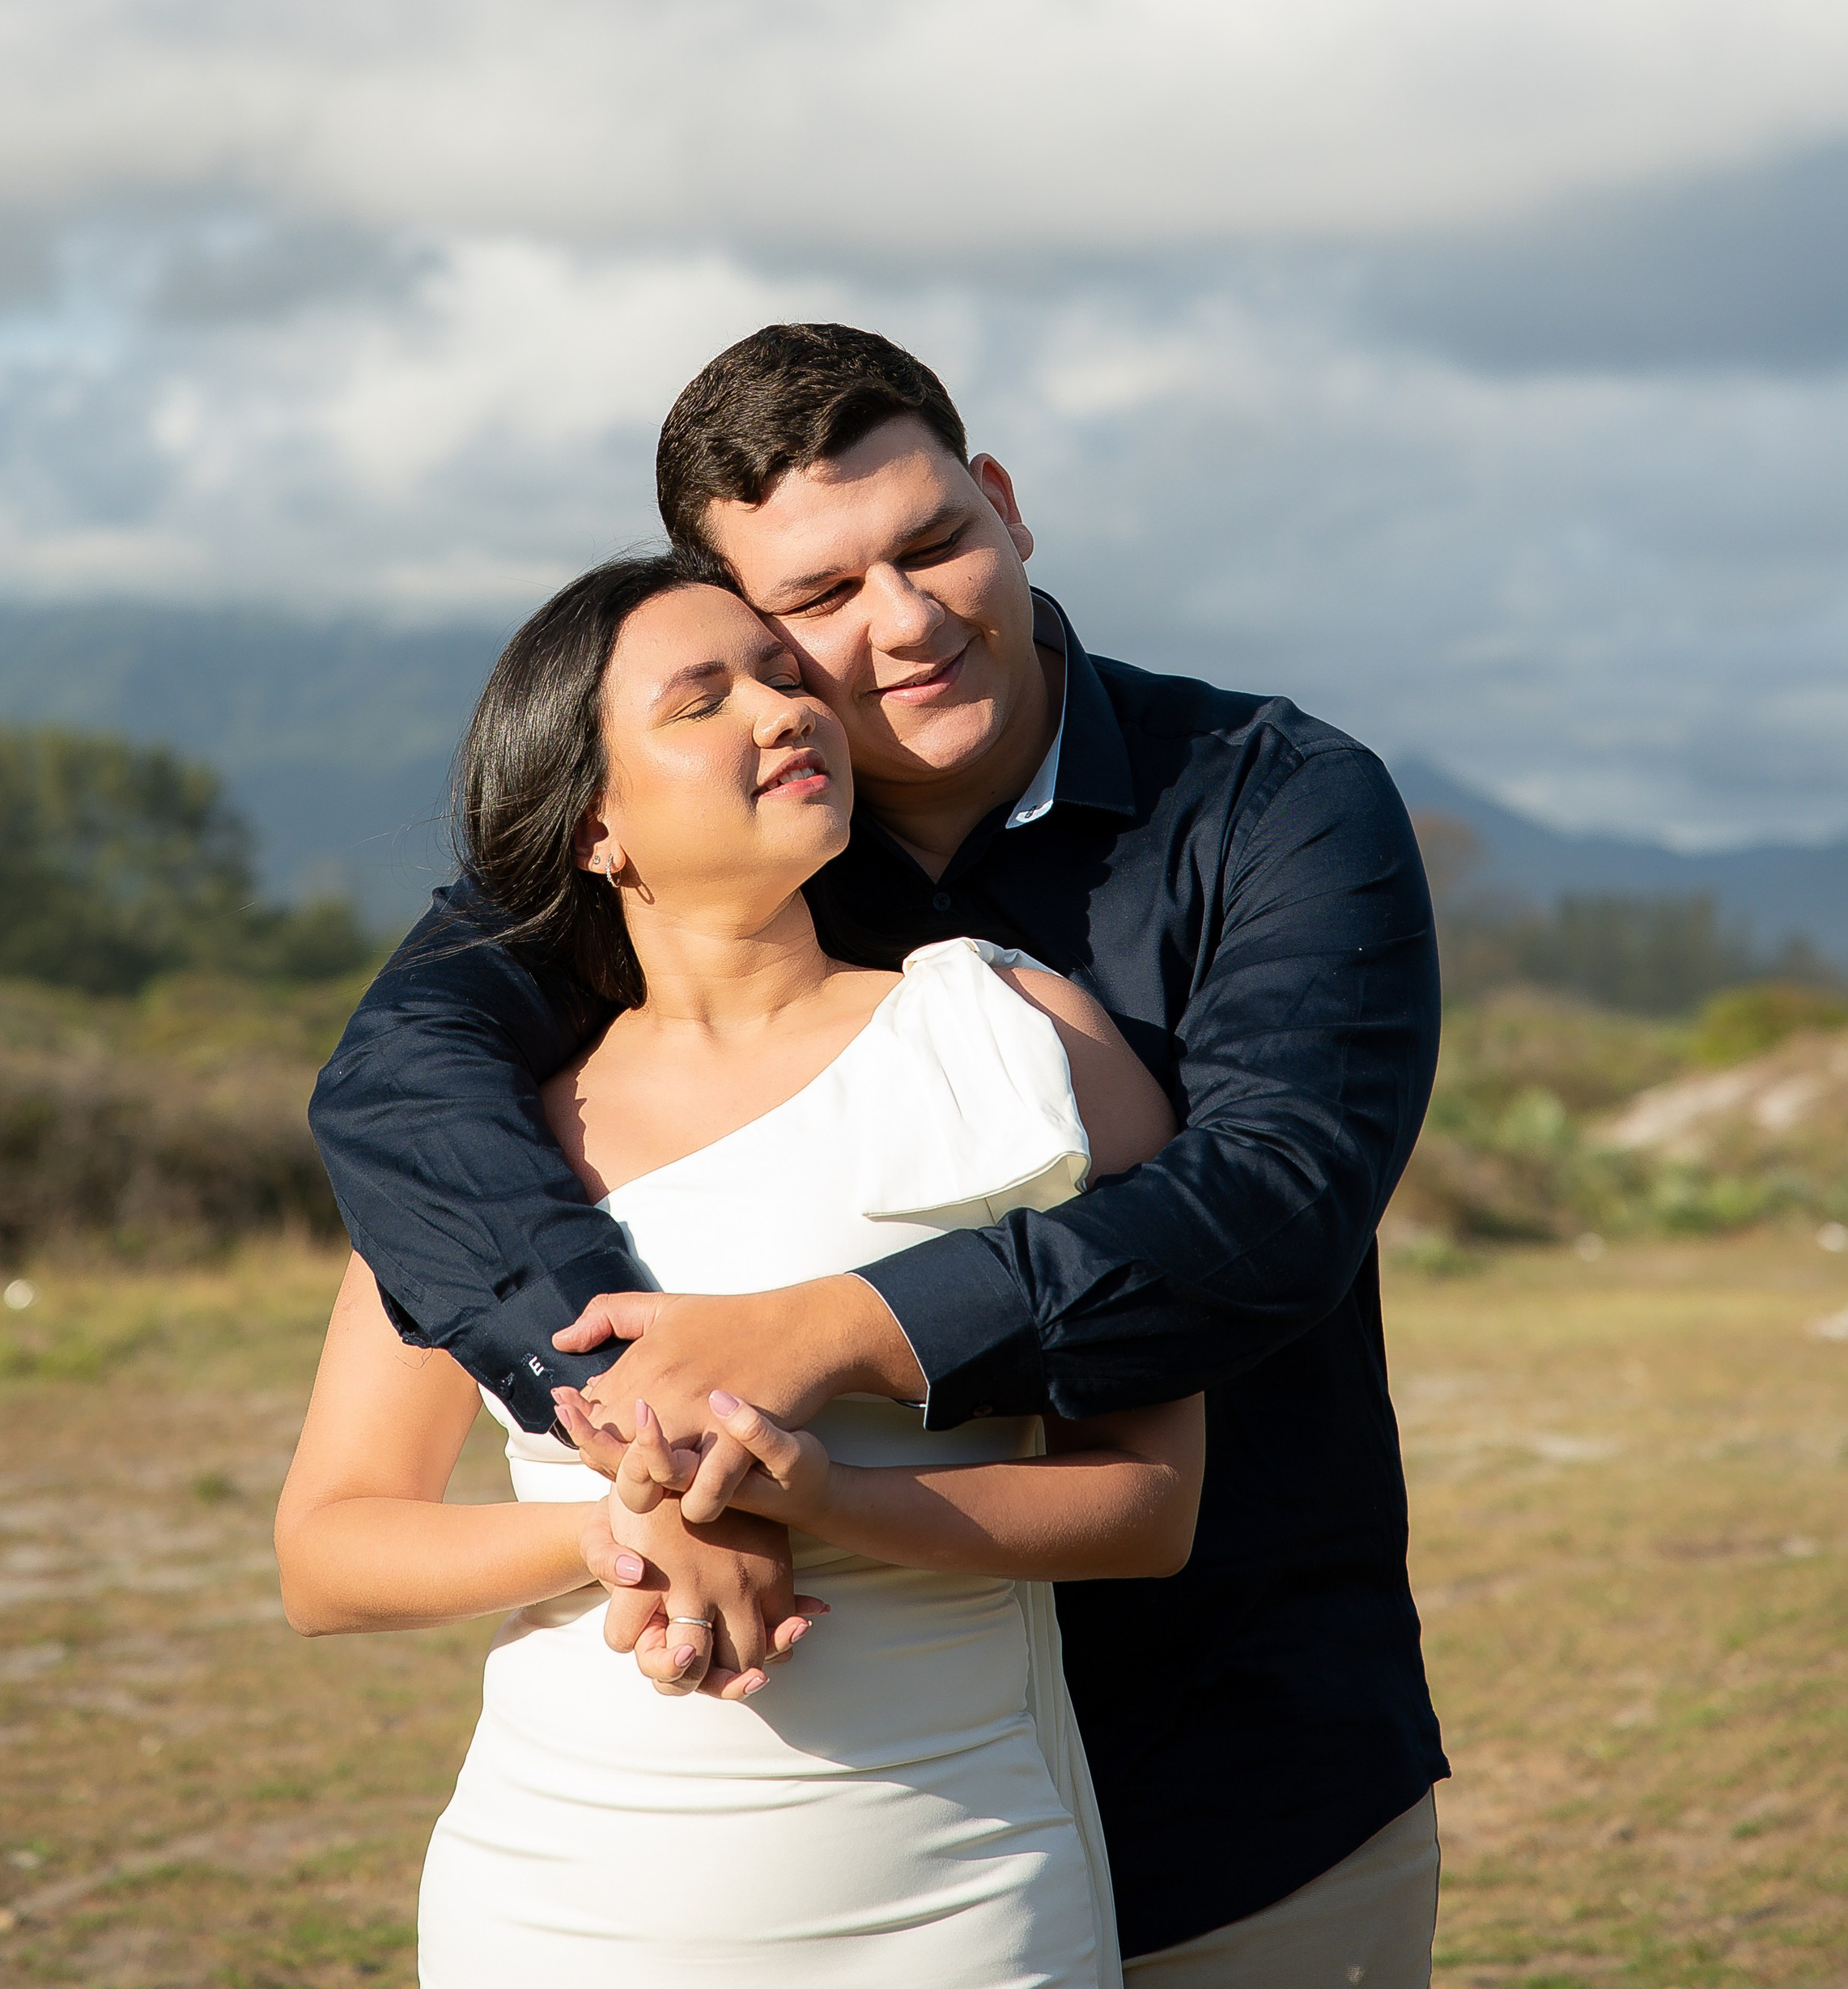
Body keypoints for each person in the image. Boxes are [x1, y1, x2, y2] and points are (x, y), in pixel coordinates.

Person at [310, 324, 1449, 1982]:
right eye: (814, 604)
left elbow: (1272, 1206)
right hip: (721, 1826)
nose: (902, 621)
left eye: (933, 543)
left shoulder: (1270, 807)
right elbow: (398, 1081)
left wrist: (833, 1328)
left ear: (1002, 504)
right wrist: (631, 1418)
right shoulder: (698, 858)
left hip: (1241, 1761)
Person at [278, 552, 1202, 1988]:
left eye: (784, 676)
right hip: (560, 1893)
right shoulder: (490, 1140)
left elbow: (1150, 1504)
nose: (782, 712)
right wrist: (607, 1541)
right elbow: (329, 1552)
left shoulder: (1012, 1033)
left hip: (955, 1886)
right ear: (595, 824)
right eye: (701, 700)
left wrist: (835, 1501)